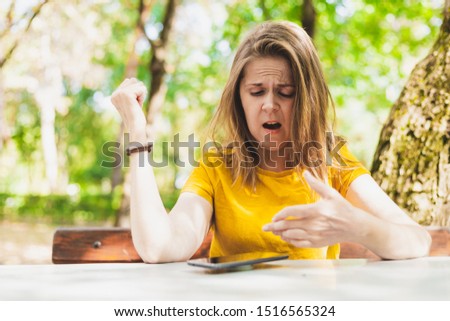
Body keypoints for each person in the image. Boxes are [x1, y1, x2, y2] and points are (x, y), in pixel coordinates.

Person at [111, 21, 431, 263]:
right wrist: (138, 138)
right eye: (256, 91)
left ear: (306, 99)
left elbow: (418, 240)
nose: (269, 104)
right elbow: (159, 246)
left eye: (285, 92)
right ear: (239, 97)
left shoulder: (332, 160)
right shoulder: (217, 167)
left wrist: (356, 226)